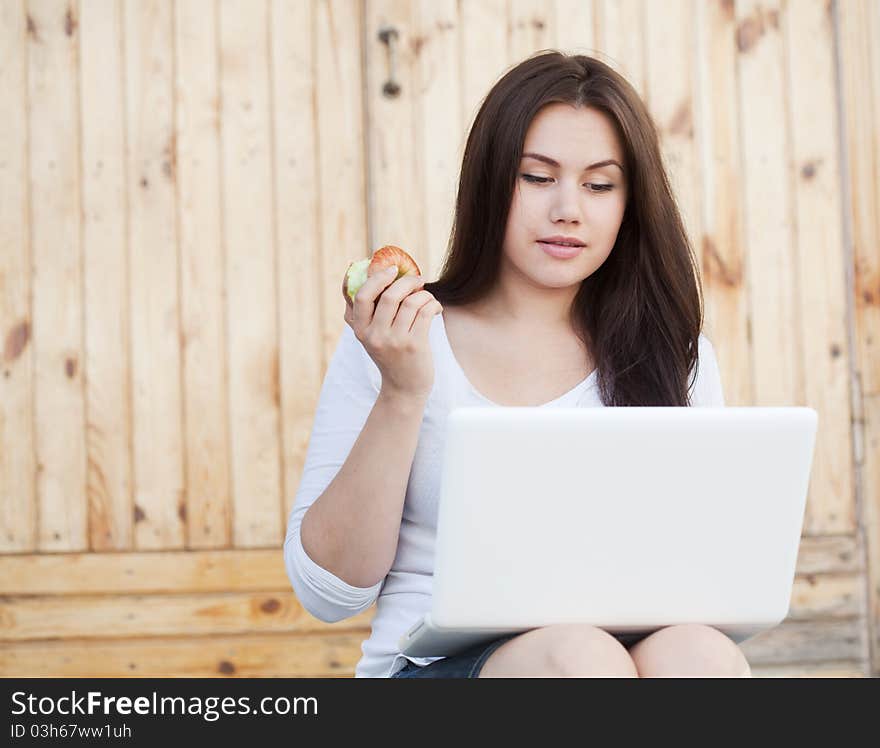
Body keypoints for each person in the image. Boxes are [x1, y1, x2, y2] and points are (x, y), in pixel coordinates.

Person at [284, 51, 752, 678]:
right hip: (435, 668)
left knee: (703, 654)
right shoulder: (401, 337)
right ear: (490, 182)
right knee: (578, 658)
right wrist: (402, 391)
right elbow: (328, 593)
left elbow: (696, 576)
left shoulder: (674, 352)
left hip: (614, 652)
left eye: (600, 184)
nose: (569, 209)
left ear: (629, 204)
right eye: (537, 177)